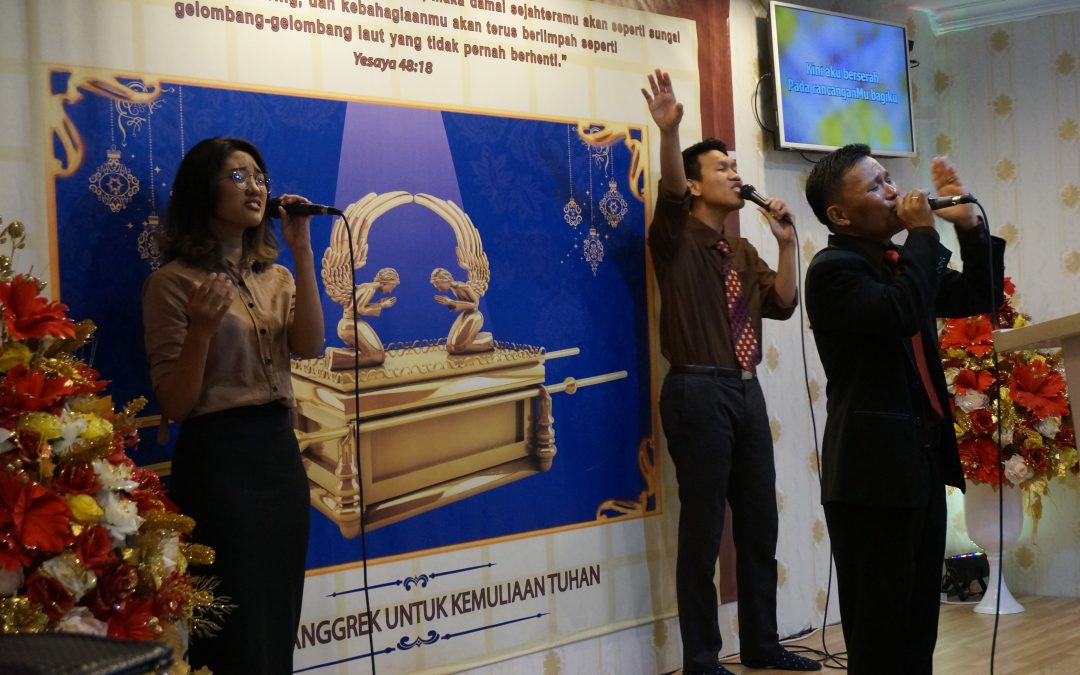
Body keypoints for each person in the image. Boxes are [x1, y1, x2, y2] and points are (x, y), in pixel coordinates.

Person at [641, 68, 818, 674]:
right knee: (704, 528)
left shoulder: (741, 249)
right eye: (722, 168)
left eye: (736, 167)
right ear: (695, 184)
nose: (736, 175)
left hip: (745, 392)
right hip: (695, 391)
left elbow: (783, 304)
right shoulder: (675, 235)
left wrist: (788, 243)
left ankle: (763, 644)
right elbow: (669, 190)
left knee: (759, 522)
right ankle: (701, 658)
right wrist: (671, 132)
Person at [803, 144, 1005, 673]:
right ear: (840, 215)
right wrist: (922, 234)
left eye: (888, 179)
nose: (893, 191)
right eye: (875, 186)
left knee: (918, 630)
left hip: (919, 464)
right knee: (879, 632)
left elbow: (979, 295)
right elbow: (902, 312)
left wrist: (969, 228)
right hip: (870, 476)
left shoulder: (896, 264)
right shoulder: (833, 269)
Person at [142, 136, 325, 673]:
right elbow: (176, 404)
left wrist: (302, 250)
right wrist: (202, 329)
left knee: (278, 613)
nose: (255, 188)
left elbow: (310, 346)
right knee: (234, 627)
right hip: (219, 461)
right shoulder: (171, 283)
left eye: (259, 177)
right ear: (204, 190)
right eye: (238, 176)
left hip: (278, 455)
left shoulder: (278, 276)